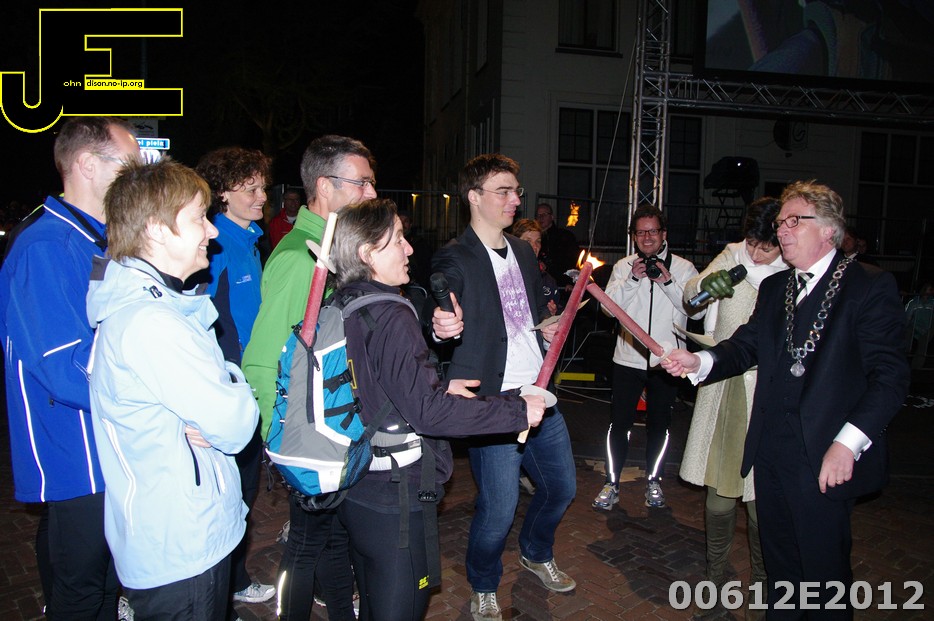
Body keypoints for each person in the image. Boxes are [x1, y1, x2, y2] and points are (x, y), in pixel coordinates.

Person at [661, 180, 910, 619]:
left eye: (795, 221)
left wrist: (848, 444)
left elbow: (890, 378)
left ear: (829, 229)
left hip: (825, 456)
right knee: (780, 574)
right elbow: (745, 346)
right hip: (770, 452)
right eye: (780, 223)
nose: (782, 230)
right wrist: (698, 362)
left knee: (823, 578)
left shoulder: (868, 285)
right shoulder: (777, 287)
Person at [329, 198, 546, 620]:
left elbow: (375, 384)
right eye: (398, 240)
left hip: (356, 481)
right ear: (367, 253)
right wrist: (516, 411)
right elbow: (429, 414)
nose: (409, 248)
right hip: (393, 492)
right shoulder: (390, 313)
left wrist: (442, 385)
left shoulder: (344, 302)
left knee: (372, 597)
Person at [86, 158, 260, 619]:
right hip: (180, 543)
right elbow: (235, 424)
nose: (212, 231)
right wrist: (235, 382)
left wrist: (218, 391)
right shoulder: (151, 322)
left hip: (183, 533)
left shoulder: (159, 308)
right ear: (157, 230)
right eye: (199, 217)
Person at [0, 116, 140, 619]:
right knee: (80, 590)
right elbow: (65, 369)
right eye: (129, 164)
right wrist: (153, 391)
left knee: (103, 584)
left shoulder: (94, 239)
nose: (139, 174)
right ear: (86, 164)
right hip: (76, 453)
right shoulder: (46, 245)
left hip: (106, 443)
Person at [431, 154, 576, 621]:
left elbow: (530, 314)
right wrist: (440, 324)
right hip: (494, 400)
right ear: (474, 197)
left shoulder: (522, 251)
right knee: (499, 508)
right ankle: (483, 582)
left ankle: (535, 551)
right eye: (504, 191)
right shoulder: (455, 255)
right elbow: (442, 297)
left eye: (517, 191)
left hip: (539, 391)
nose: (515, 199)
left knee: (561, 487)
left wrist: (549, 328)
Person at [242, 134, 377, 620]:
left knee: (332, 540)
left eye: (372, 182)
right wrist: (278, 439)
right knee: (306, 542)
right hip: (310, 435)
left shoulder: (333, 249)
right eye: (361, 182)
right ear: (324, 185)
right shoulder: (301, 259)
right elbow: (262, 357)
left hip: (334, 425)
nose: (371, 193)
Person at [679, 198, 785, 620]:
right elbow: (691, 296)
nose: (757, 254)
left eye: (768, 247)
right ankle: (715, 578)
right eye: (753, 243)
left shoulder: (792, 273)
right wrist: (706, 286)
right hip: (725, 389)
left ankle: (763, 584)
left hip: (767, 395)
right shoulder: (733, 255)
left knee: (763, 503)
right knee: (719, 497)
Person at [194, 146, 277, 611]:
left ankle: (232, 580)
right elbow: (204, 319)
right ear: (223, 193)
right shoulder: (216, 243)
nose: (262, 195)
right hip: (229, 387)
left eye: (262, 186)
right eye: (251, 188)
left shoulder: (249, 239)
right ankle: (221, 587)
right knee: (229, 489)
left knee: (243, 488)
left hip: (250, 384)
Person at [592, 204, 701, 511]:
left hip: (668, 362)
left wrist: (668, 283)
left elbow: (697, 310)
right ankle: (611, 483)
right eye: (641, 232)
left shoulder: (684, 268)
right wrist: (632, 280)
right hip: (627, 360)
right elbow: (607, 309)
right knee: (619, 424)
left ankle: (654, 480)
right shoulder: (623, 266)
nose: (647, 238)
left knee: (660, 425)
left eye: (653, 231)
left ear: (664, 234)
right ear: (634, 236)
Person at [511, 218, 560, 315]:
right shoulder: (505, 274)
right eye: (528, 241)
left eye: (538, 241)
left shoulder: (547, 281)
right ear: (515, 243)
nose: (534, 246)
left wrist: (550, 314)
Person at [535, 202, 579, 288]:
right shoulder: (533, 237)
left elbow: (573, 261)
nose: (541, 218)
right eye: (538, 215)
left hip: (561, 284)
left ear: (552, 217)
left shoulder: (565, 236)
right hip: (540, 284)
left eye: (544, 214)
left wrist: (570, 282)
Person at [905, 280, 934, 369]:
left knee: (922, 347)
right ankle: (903, 360)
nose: (932, 292)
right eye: (930, 289)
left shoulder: (932, 302)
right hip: (914, 326)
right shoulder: (914, 302)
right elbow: (907, 316)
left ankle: (916, 367)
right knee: (907, 339)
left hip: (927, 328)